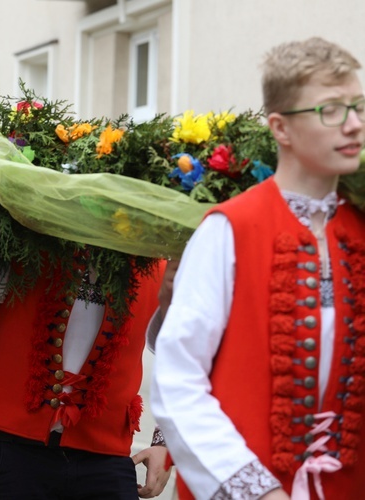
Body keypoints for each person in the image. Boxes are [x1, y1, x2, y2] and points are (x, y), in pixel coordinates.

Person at [152, 37, 365, 499]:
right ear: (281, 128)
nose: (353, 125)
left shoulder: (359, 227)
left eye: (358, 107)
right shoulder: (229, 230)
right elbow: (177, 378)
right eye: (330, 110)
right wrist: (254, 489)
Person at [0, 191, 172, 500]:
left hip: (105, 455)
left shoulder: (153, 261)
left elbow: (186, 356)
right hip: (16, 449)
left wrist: (165, 443)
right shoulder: (29, 237)